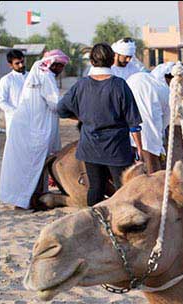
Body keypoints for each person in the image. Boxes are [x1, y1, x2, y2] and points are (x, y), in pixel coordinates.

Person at [57, 43, 144, 206]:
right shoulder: (119, 85)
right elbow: (133, 123)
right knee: (122, 189)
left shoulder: (81, 85)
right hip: (116, 149)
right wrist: (139, 148)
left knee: (95, 188)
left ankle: (94, 223)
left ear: (91, 61)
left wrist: (82, 117)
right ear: (112, 61)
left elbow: (61, 110)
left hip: (90, 147)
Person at [0, 49, 69, 209]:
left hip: (29, 126)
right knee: (35, 163)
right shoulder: (45, 76)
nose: (61, 70)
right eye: (61, 67)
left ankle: (31, 197)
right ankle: (28, 199)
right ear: (55, 64)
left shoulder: (35, 73)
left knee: (29, 163)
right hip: (33, 129)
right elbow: (55, 103)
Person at [126, 62, 173, 173]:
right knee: (152, 163)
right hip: (147, 130)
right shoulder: (166, 90)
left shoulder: (141, 77)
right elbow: (165, 121)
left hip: (127, 126)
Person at [0, 49, 27, 137]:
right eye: (17, 63)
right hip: (14, 120)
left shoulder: (31, 77)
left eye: (22, 61)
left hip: (31, 119)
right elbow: (2, 101)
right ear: (10, 65)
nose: (21, 65)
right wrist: (16, 112)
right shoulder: (6, 80)